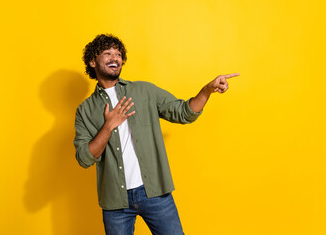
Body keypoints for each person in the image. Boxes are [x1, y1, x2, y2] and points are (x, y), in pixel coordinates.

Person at [74, 34, 239, 235]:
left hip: (154, 192)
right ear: (92, 61)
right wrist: (108, 126)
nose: (114, 58)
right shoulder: (85, 110)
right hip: (115, 202)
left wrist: (206, 90)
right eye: (107, 53)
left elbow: (184, 112)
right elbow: (84, 158)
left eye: (118, 54)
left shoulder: (144, 91)